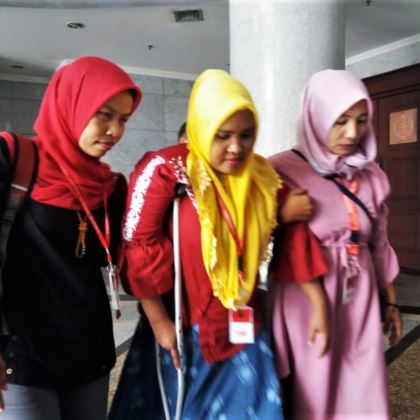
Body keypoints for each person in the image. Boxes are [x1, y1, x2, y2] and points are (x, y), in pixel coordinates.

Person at [109, 69, 328, 419]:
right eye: (222, 135)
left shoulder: (262, 179)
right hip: (183, 327)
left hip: (244, 329)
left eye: (246, 135)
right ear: (202, 128)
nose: (236, 147)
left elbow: (294, 238)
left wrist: (318, 304)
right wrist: (159, 322)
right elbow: (138, 245)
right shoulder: (168, 170)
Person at [0, 56, 141, 419]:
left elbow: (129, 262)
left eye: (123, 119)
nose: (114, 131)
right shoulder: (13, 158)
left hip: (88, 351)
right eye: (104, 114)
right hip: (23, 353)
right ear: (72, 105)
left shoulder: (108, 187)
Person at [269, 69, 402, 420]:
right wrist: (281, 215)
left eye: (360, 121)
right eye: (339, 121)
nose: (352, 133)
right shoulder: (278, 170)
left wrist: (390, 302)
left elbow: (379, 242)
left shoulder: (371, 175)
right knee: (315, 388)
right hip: (305, 301)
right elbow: (250, 236)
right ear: (315, 115)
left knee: (362, 384)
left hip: (360, 297)